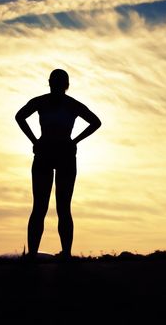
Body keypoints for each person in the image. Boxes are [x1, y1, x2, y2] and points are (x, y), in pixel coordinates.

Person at [15, 69, 101, 260]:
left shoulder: (50, 102)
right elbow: (19, 116)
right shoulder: (57, 103)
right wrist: (35, 141)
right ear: (66, 85)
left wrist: (73, 141)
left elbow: (96, 122)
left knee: (54, 207)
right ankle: (41, 254)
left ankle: (57, 254)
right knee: (47, 207)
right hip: (52, 153)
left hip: (58, 154)